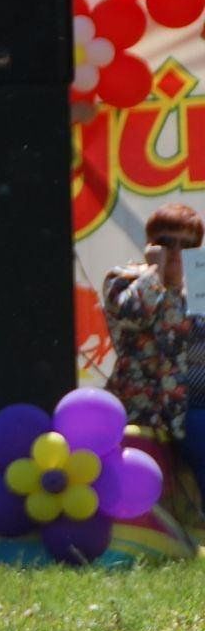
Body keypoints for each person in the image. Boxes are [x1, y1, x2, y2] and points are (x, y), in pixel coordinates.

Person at [102, 204, 205, 486]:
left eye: (187, 244)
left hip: (193, 408)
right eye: (166, 241)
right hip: (144, 408)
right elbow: (133, 312)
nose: (176, 251)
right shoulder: (124, 278)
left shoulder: (200, 285)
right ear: (150, 244)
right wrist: (155, 272)